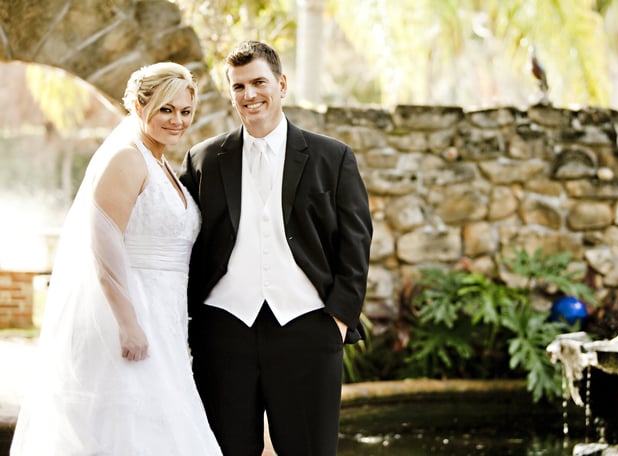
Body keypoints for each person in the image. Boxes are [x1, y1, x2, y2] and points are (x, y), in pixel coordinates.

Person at [10, 62, 222, 456]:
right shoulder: (126, 159)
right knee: (131, 426)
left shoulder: (163, 165)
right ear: (140, 108)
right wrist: (128, 324)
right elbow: (103, 241)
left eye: (185, 111)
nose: (177, 120)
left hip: (167, 318)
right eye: (165, 109)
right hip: (133, 314)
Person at [179, 40, 372, 455]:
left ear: (281, 84)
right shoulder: (204, 159)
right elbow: (185, 243)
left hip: (308, 326)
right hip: (224, 329)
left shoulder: (332, 157)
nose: (249, 95)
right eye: (239, 87)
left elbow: (356, 243)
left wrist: (338, 319)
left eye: (258, 82)